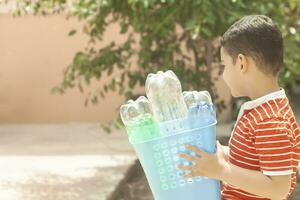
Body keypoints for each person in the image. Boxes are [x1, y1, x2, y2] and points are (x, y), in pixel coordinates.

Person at [176, 15, 300, 200]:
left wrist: (221, 170)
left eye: (224, 65)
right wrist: (220, 155)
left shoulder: (271, 120)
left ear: (242, 63)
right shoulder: (261, 111)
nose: (224, 74)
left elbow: (278, 188)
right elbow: (254, 161)